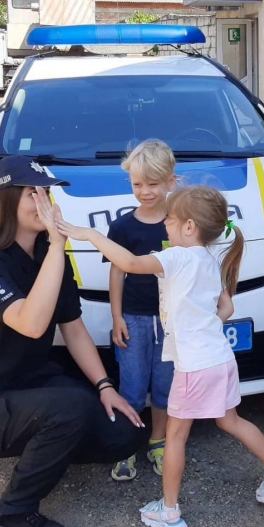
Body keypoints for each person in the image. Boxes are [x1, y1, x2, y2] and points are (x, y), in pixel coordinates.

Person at [56, 185, 264, 527]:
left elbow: (128, 263)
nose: (165, 227)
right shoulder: (208, 258)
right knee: (231, 421)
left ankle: (169, 511)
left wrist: (89, 234)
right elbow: (226, 308)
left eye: (170, 220)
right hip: (219, 358)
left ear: (189, 226)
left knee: (174, 437)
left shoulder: (177, 257)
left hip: (193, 367)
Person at [0, 155, 146, 527]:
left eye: (46, 192)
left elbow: (73, 329)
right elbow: (30, 323)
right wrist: (59, 247)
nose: (43, 201)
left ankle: (43, 444)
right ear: (6, 200)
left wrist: (105, 386)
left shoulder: (48, 255)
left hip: (30, 386)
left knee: (122, 432)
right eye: (32, 193)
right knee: (67, 408)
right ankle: (12, 510)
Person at [106, 140, 175, 481]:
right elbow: (117, 271)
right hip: (132, 317)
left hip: (170, 321)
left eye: (153, 183)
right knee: (131, 387)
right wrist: (116, 316)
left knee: (164, 386)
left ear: (171, 182)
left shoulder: (180, 224)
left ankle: (158, 442)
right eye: (137, 184)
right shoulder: (122, 228)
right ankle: (126, 446)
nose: (145, 191)